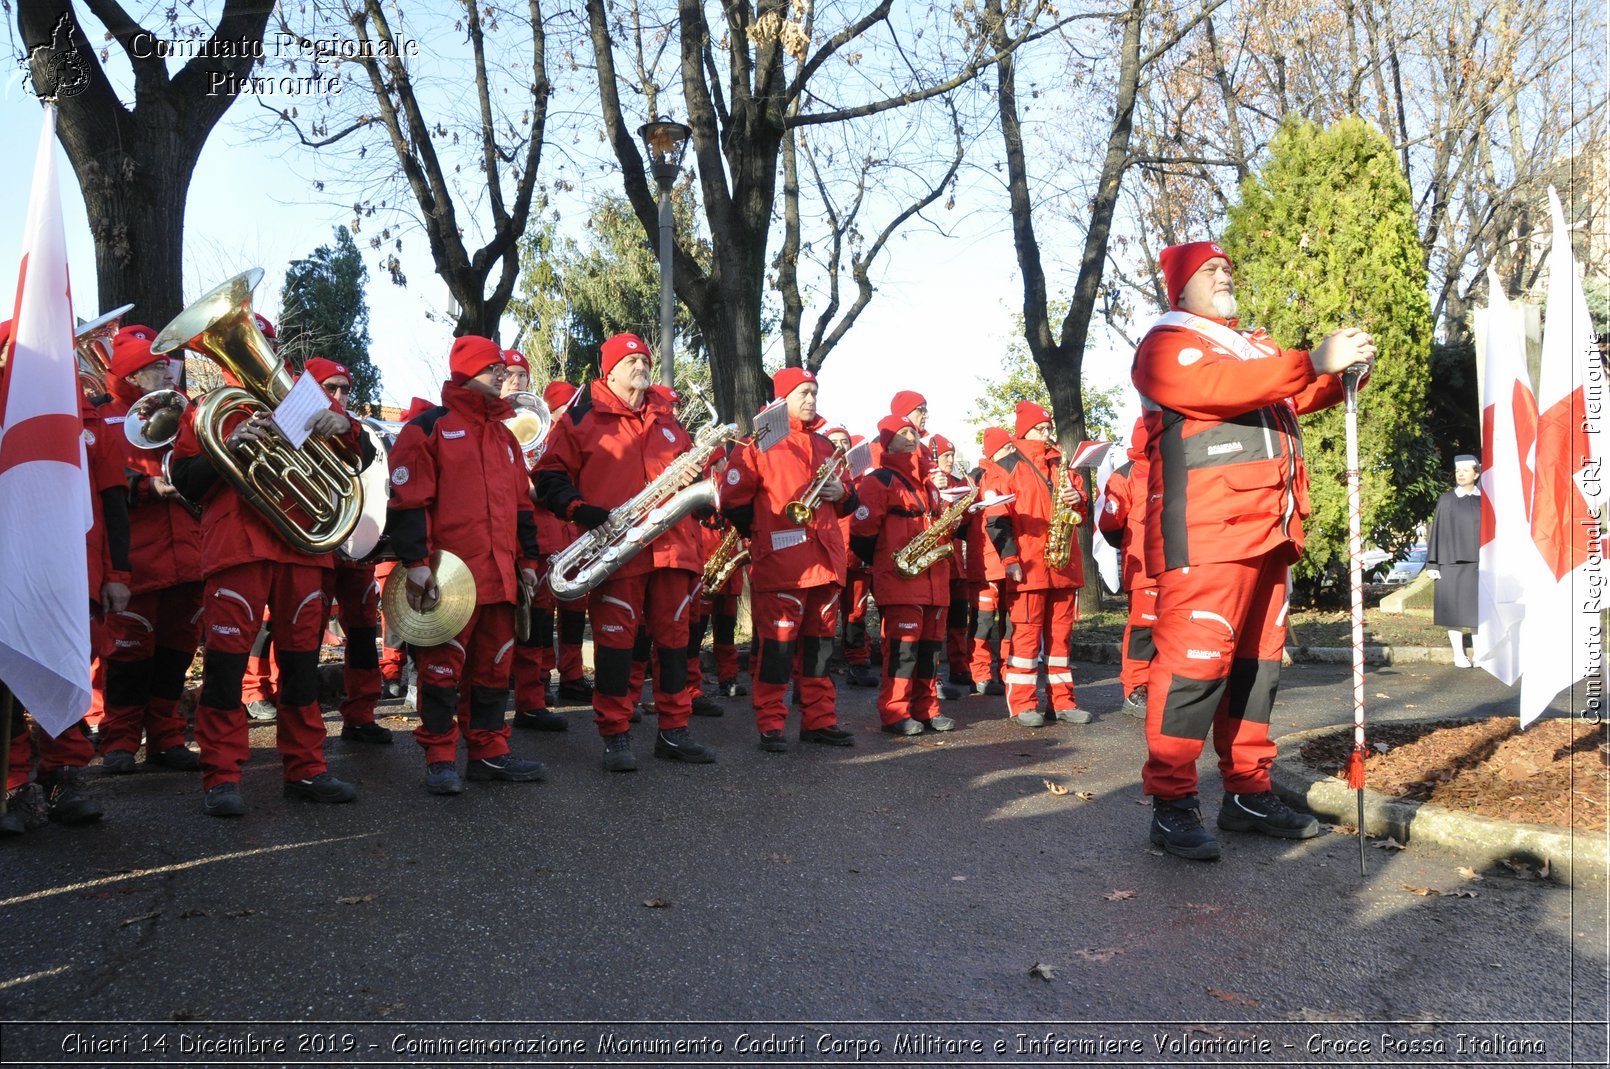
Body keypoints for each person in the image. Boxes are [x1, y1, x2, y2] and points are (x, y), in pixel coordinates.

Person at [1132, 239, 1376, 860]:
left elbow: (1287, 396)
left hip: (1267, 530)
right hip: (1208, 533)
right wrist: (1310, 358)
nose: (1223, 273)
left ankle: (1246, 791)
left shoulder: (1252, 348)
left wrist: (1337, 374)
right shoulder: (1167, 344)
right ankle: (1171, 804)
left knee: (1257, 668)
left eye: (1226, 267)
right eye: (1208, 269)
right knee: (1194, 668)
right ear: (1179, 288)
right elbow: (1221, 388)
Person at [169, 337, 375, 817]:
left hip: (302, 547)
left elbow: (360, 457)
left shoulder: (308, 398)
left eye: (262, 344)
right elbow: (186, 481)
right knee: (224, 668)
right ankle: (221, 776)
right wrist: (227, 452)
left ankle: (306, 768)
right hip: (237, 549)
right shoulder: (207, 411)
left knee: (302, 668)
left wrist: (345, 424)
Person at [533, 332, 716, 771]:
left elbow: (689, 476)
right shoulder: (579, 420)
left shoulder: (669, 418)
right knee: (616, 648)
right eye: (630, 360)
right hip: (617, 550)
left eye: (645, 359)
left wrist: (696, 474)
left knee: (674, 645)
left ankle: (674, 731)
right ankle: (615, 734)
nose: (641, 366)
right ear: (609, 370)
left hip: (673, 550)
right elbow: (548, 478)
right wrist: (579, 508)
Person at [385, 338, 547, 794]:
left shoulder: (505, 436)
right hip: (450, 577)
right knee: (441, 670)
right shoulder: (428, 428)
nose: (502, 375)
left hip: (501, 577)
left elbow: (520, 507)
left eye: (501, 367)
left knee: (495, 669)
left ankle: (489, 752)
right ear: (466, 372)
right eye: (492, 368)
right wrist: (416, 564)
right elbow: (408, 500)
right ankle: (440, 757)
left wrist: (529, 561)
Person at [720, 367, 855, 751]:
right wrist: (762, 536)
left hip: (824, 563)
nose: (811, 400)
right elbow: (732, 502)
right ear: (783, 399)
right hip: (782, 566)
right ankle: (771, 724)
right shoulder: (758, 444)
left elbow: (851, 500)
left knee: (819, 652)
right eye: (803, 393)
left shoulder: (827, 446)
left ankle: (819, 721)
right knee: (776, 652)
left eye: (814, 392)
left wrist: (841, 492)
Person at [96, 324, 206, 773]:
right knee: (127, 656)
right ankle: (119, 741)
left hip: (188, 559)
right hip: (139, 561)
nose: (169, 373)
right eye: (158, 367)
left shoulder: (186, 417)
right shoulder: (103, 421)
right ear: (133, 376)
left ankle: (165, 737)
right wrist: (144, 486)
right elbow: (99, 486)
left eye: (166, 365)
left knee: (176, 654)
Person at [302, 357, 393, 745]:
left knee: (359, 632)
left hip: (354, 544)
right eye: (330, 387)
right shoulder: (296, 424)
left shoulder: (356, 429)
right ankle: (303, 726)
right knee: (303, 636)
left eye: (344, 389)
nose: (338, 395)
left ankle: (361, 714)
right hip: (312, 546)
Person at [849, 413, 953, 735]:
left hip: (935, 581)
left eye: (914, 432)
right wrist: (889, 564)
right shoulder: (878, 480)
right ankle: (895, 713)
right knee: (902, 651)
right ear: (887, 441)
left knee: (930, 652)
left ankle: (927, 709)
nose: (912, 437)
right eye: (903, 432)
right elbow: (862, 534)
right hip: (901, 580)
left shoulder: (930, 483)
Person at [986, 401, 1088, 727]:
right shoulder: (1007, 466)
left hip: (1063, 565)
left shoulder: (1063, 466)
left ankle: (1063, 702)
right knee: (1026, 638)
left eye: (1048, 428)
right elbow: (996, 520)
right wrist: (1010, 559)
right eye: (1039, 429)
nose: (1046, 434)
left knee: (1061, 640)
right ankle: (1022, 704)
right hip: (1028, 565)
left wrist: (1079, 500)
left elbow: (1081, 514)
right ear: (1024, 431)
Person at [1097, 417, 1157, 719]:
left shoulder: (1178, 466)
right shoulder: (1126, 475)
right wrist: (1131, 546)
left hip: (1181, 568)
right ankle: (1136, 691)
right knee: (1143, 631)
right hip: (1145, 569)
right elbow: (1109, 523)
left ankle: (1166, 688)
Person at [966, 427, 1015, 695]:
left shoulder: (1014, 473)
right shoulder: (977, 478)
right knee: (982, 622)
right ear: (994, 452)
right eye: (1007, 449)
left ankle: (1007, 672)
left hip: (1010, 561)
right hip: (985, 564)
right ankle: (980, 673)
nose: (1012, 453)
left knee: (1009, 622)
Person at [1425, 455, 1481, 668]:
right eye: (1458, 471)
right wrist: (1433, 563)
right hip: (1450, 563)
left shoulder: (1483, 500)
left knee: (1478, 611)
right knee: (1454, 612)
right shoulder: (1446, 500)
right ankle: (1459, 654)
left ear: (1476, 474)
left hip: (1477, 563)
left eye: (1466, 471)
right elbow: (1437, 531)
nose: (1460, 474)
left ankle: (1479, 653)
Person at [833, 430, 878, 688]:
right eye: (835, 442)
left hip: (857, 558)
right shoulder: (822, 477)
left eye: (845, 443)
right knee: (824, 617)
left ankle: (858, 663)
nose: (840, 447)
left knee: (856, 613)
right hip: (832, 557)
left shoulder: (863, 481)